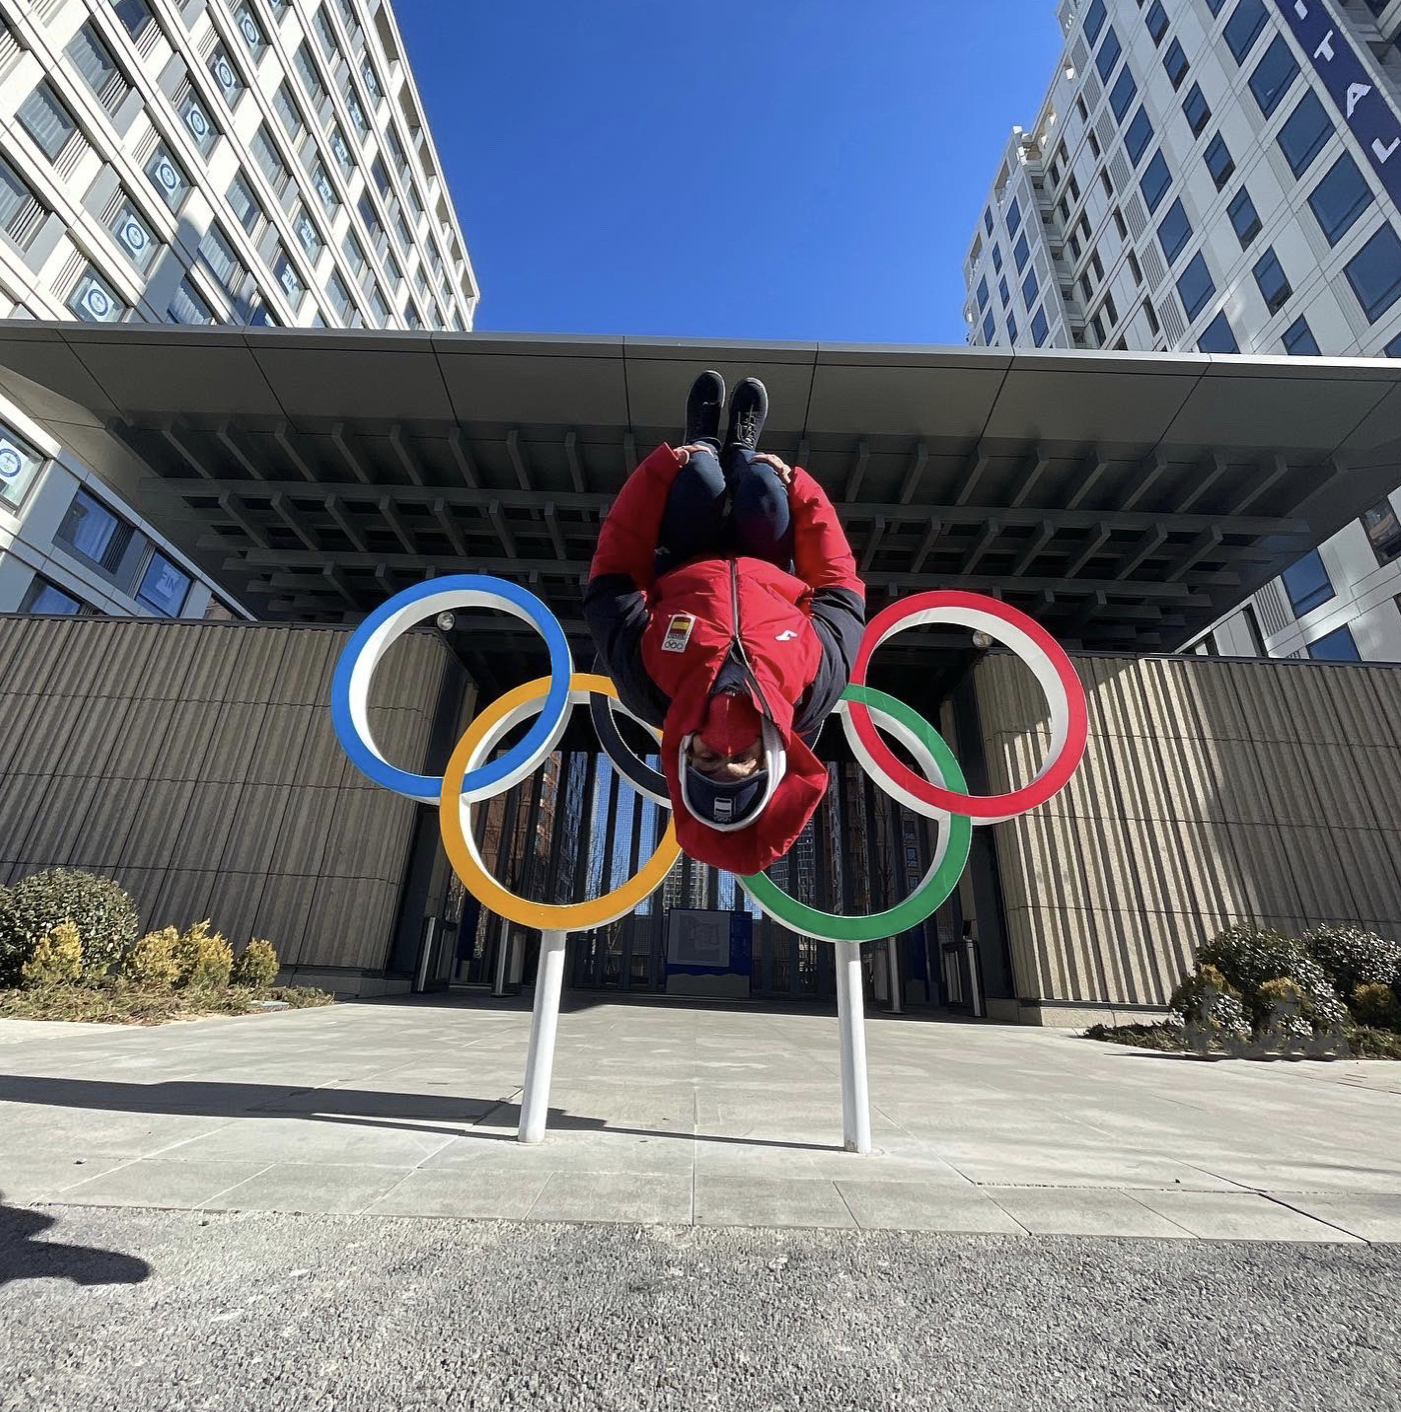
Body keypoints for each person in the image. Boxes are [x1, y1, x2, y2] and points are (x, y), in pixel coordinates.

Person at [584, 372, 866, 875]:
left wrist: (658, 473)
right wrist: (801, 489)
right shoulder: (813, 687)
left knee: (700, 480)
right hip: (767, 560)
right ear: (771, 761)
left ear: (684, 759)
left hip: (685, 558)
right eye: (743, 761)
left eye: (709, 762)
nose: (726, 749)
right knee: (760, 483)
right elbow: (839, 587)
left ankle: (705, 442)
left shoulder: (648, 685)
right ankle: (742, 448)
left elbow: (612, 577)